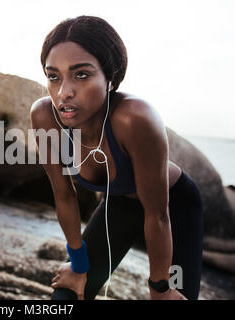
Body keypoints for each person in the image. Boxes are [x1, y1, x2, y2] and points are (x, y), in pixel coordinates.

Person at [29, 15, 204, 300]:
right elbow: (64, 195)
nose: (64, 91)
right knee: (66, 296)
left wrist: (161, 288)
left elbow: (157, 215)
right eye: (53, 76)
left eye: (81, 74)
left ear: (110, 77)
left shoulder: (135, 118)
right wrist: (79, 265)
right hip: (119, 205)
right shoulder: (45, 117)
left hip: (173, 210)